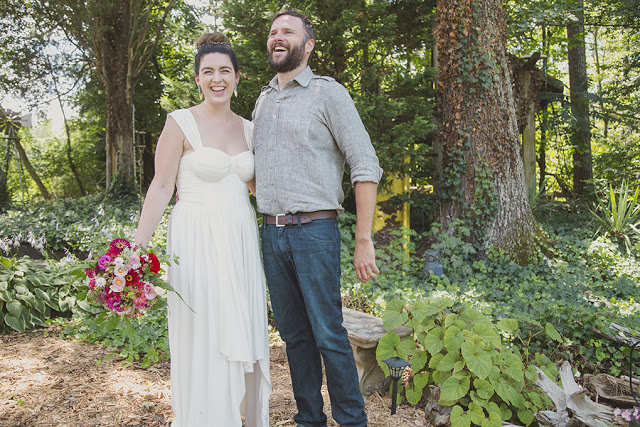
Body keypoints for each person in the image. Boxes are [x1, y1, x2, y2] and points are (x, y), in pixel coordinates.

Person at [252, 10, 383, 427]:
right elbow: (256, 172)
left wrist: (364, 238)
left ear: (307, 45)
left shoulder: (329, 94)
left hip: (315, 232)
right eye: (273, 32)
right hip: (271, 235)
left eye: (287, 32)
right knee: (294, 336)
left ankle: (351, 420)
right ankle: (309, 418)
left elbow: (365, 164)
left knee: (328, 333)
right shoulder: (263, 99)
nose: (277, 37)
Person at [134, 32, 271, 427]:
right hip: (196, 238)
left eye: (224, 71)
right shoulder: (179, 122)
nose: (217, 78)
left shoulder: (249, 128)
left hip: (240, 238)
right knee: (206, 330)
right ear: (197, 78)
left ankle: (240, 415)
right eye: (208, 71)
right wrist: (135, 250)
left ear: (237, 77)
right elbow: (160, 186)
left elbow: (260, 189)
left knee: (240, 321)